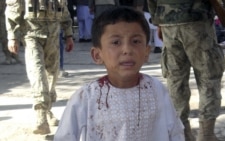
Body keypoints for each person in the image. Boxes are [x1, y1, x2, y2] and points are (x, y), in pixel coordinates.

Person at [54, 7, 184, 141]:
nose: (127, 50)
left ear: (146, 52)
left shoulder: (157, 91)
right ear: (97, 55)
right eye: (116, 42)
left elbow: (175, 133)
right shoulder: (86, 97)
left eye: (136, 41)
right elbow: (64, 137)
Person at [147, 0, 225, 141]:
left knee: (175, 80)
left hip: (168, 21)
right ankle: (206, 135)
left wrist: (158, 20)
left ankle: (182, 134)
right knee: (209, 76)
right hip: (196, 19)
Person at [5, 0, 74, 135]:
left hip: (53, 37)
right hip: (31, 35)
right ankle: (40, 116)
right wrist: (12, 36)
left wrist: (69, 34)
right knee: (37, 73)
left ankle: (48, 110)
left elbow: (64, 10)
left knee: (52, 75)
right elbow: (13, 9)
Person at [0, 0, 21, 65]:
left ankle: (15, 54)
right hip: (2, 15)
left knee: (14, 33)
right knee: (4, 36)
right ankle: (8, 56)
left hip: (11, 12)